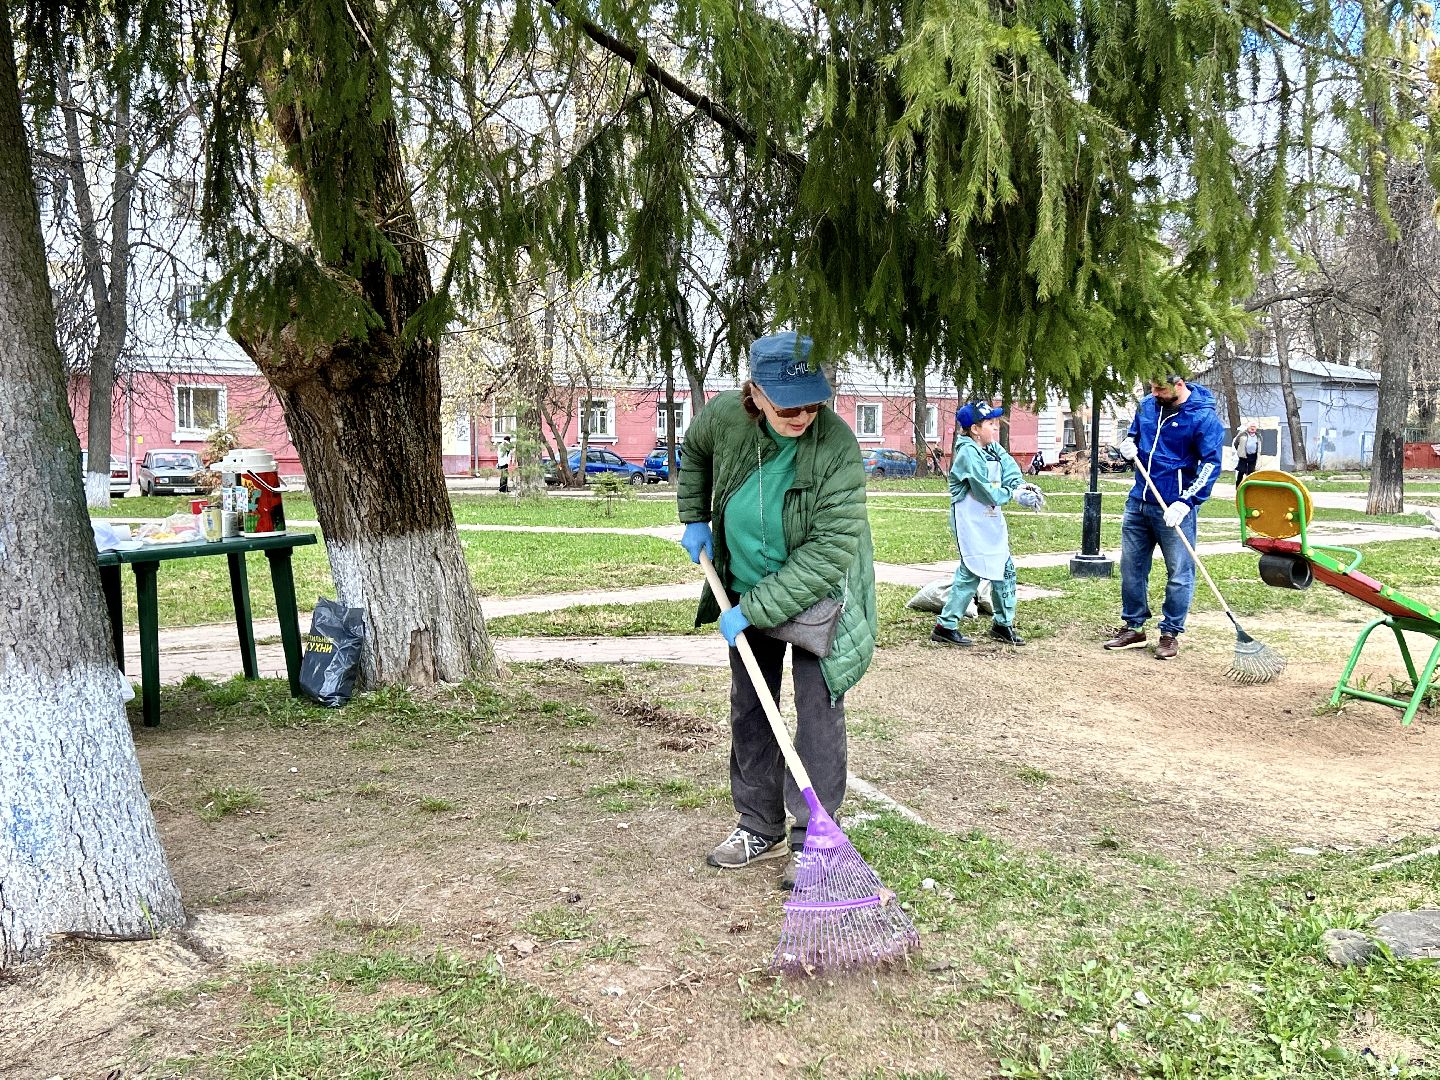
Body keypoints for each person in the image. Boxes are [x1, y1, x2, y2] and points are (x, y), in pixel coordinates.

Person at [676, 330, 877, 890]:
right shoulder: (725, 417)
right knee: (751, 709)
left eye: (812, 403)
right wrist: (694, 516)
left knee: (817, 714)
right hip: (744, 580)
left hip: (818, 593)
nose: (803, 416)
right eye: (789, 406)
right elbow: (695, 452)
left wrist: (755, 610)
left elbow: (829, 552)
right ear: (756, 394)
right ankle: (758, 825)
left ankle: (816, 839)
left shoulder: (836, 445)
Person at [1105, 375, 1225, 661]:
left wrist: (1186, 501)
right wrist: (1128, 446)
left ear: (1179, 384)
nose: (1154, 393)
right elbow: (1134, 437)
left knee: (1179, 572)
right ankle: (1134, 627)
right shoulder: (1148, 406)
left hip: (1175, 507)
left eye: (1160, 388)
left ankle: (1170, 633)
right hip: (1139, 501)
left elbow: (1210, 464)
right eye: (1152, 387)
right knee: (1131, 568)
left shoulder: (1203, 417)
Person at [931, 402, 1044, 648]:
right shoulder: (967, 453)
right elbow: (984, 491)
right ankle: (945, 626)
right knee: (971, 571)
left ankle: (1003, 624)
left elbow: (1009, 469)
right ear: (975, 429)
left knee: (1005, 569)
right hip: (970, 520)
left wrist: (1021, 486)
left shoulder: (992, 448)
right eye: (990, 424)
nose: (995, 428)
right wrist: (1012, 494)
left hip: (991, 519)